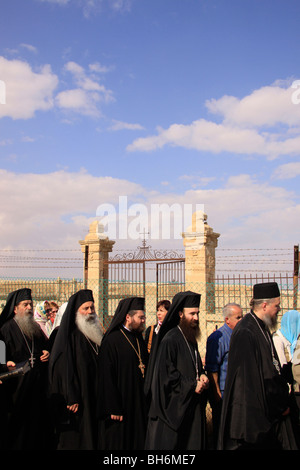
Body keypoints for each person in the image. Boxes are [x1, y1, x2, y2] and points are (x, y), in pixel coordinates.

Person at [218, 282, 298, 450]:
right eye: (276, 306)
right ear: (264, 305)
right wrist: (277, 406)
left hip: (269, 410)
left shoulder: (261, 327)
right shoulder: (246, 331)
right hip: (252, 417)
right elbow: (250, 381)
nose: (279, 309)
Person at [144, 290, 209, 450]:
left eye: (197, 313)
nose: (196, 317)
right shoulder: (170, 339)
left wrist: (201, 375)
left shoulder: (189, 337)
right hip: (173, 413)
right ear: (180, 314)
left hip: (189, 409)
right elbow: (166, 378)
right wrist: (192, 385)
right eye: (192, 313)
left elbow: (193, 367)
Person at [49, 289, 103, 450]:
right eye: (85, 308)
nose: (90, 312)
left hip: (93, 392)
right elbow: (65, 368)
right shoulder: (70, 336)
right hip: (78, 395)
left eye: (92, 308)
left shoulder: (94, 333)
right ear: (76, 311)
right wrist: (71, 395)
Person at [0, 288, 51, 449]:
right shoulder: (5, 329)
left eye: (30, 304)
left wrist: (45, 353)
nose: (29, 307)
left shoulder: (35, 329)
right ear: (15, 308)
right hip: (15, 388)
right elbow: (0, 353)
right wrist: (3, 365)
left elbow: (43, 348)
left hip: (35, 387)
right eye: (25, 304)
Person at [97, 297, 149, 450]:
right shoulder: (111, 341)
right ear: (128, 317)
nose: (144, 320)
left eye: (143, 317)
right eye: (140, 317)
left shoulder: (139, 338)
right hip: (120, 405)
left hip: (138, 403)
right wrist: (113, 406)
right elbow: (106, 377)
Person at [205, 303, 243, 448]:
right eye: (238, 317)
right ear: (227, 319)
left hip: (237, 393)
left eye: (242, 317)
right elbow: (212, 368)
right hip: (223, 393)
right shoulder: (218, 338)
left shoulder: (239, 335)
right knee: (222, 433)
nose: (241, 320)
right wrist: (216, 394)